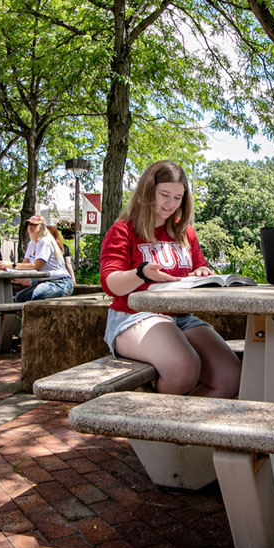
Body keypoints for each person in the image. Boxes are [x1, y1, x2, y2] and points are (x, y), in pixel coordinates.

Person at [99, 160, 241, 398]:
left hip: (182, 317)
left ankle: (177, 430)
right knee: (183, 369)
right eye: (164, 194)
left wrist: (203, 272)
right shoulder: (124, 230)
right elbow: (110, 283)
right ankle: (149, 426)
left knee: (231, 379)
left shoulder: (184, 231)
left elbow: (199, 266)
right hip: (132, 317)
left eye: (178, 198)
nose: (170, 204)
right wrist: (140, 273)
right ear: (148, 191)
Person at [0, 214, 73, 301]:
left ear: (42, 227)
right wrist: (8, 270)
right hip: (45, 282)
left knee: (23, 297)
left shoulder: (44, 242)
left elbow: (37, 266)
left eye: (35, 225)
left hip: (60, 282)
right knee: (19, 297)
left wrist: (10, 265)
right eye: (29, 224)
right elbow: (25, 264)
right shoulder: (32, 243)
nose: (31, 227)